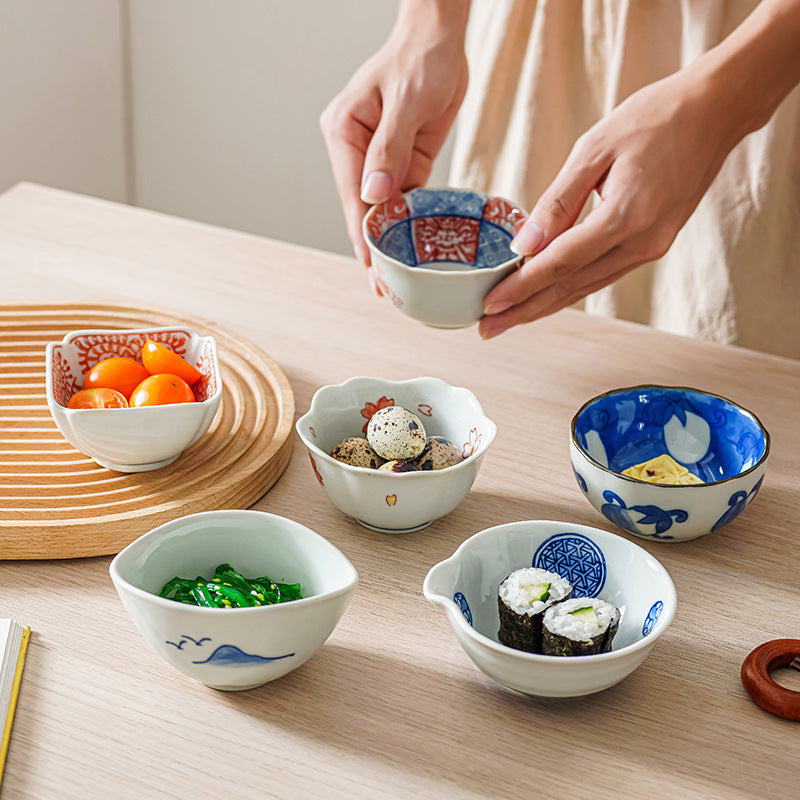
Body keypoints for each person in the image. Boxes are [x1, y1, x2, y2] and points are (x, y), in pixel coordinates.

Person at [320, 0, 800, 359]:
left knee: (722, 357)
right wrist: (428, 21)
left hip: (754, 50)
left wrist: (725, 101)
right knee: (531, 364)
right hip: (542, 37)